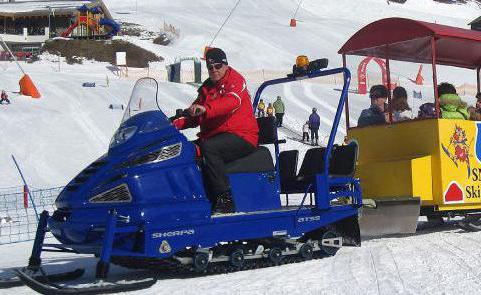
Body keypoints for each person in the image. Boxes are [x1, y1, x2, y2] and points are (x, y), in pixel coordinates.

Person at [172, 48, 259, 214]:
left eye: (218, 66)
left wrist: (205, 109)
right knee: (182, 150)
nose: (214, 70)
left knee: (209, 148)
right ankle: (194, 199)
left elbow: (232, 101)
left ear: (225, 64)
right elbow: (195, 114)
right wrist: (174, 123)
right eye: (210, 67)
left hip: (242, 136)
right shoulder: (207, 88)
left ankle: (225, 199)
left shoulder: (235, 80)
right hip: (215, 137)